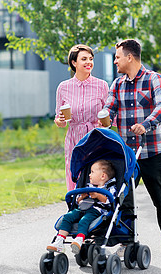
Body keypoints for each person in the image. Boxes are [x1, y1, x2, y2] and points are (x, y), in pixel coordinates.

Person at [102, 39, 161, 253]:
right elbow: (110, 109)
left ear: (129, 57)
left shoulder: (155, 79)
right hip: (127, 155)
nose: (115, 61)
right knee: (123, 198)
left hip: (152, 151)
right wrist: (104, 119)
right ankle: (126, 240)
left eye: (117, 57)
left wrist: (145, 125)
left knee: (160, 199)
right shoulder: (116, 85)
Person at [54, 44, 109, 191]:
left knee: (96, 174)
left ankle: (97, 208)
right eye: (84, 59)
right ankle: (75, 207)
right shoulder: (63, 87)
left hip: (96, 137)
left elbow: (109, 114)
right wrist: (60, 121)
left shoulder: (102, 86)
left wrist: (105, 122)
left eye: (90, 59)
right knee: (74, 175)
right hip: (74, 139)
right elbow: (60, 121)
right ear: (74, 62)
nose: (88, 62)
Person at [47, 160, 117, 254]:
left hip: (96, 211)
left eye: (92, 172)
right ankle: (59, 241)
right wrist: (82, 196)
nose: (89, 175)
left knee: (84, 220)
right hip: (82, 208)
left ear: (103, 176)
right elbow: (78, 201)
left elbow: (109, 200)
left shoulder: (110, 187)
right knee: (68, 217)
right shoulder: (89, 186)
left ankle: (79, 239)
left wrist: (97, 195)